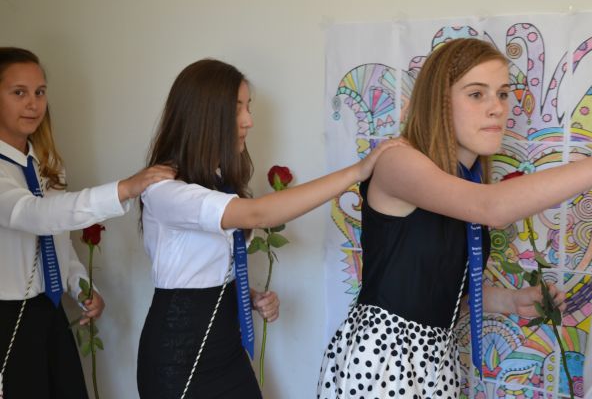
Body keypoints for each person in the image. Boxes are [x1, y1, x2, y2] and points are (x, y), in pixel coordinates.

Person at [315, 37, 592, 399]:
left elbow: (431, 290)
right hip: (382, 359)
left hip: (436, 360)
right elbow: (493, 208)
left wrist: (508, 301)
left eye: (503, 93)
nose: (497, 108)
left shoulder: (464, 181)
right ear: (438, 101)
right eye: (477, 94)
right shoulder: (398, 161)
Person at [137, 58, 401, 399]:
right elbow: (257, 215)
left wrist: (245, 296)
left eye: (248, 107)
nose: (248, 120)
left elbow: (200, 270)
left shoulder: (216, 183)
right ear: (205, 115)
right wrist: (357, 171)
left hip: (225, 347)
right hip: (179, 356)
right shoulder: (164, 189)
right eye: (237, 108)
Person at [0, 47, 174, 398]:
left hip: (48, 313)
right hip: (7, 319)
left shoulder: (47, 164)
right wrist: (124, 189)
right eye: (19, 92)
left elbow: (57, 238)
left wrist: (79, 284)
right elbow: (35, 215)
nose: (33, 103)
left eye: (40, 92)